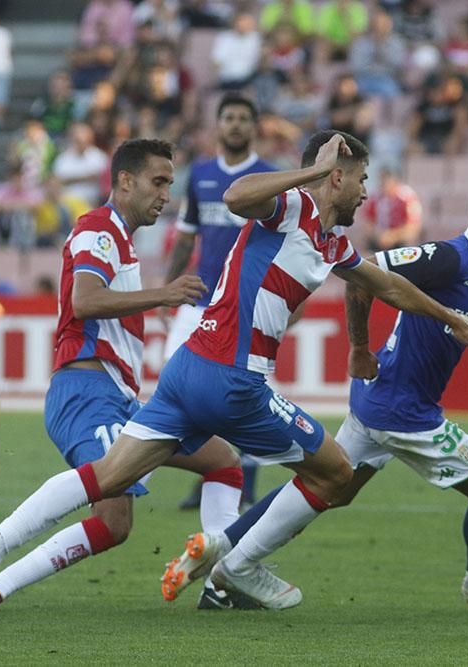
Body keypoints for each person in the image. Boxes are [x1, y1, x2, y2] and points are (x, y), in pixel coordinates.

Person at [0, 130, 468, 615]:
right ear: (339, 176)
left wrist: (450, 318)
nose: (367, 192)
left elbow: (388, 286)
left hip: (187, 373)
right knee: (337, 473)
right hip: (235, 380)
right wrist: (317, 170)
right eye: (362, 179)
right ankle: (238, 566)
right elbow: (235, 195)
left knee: (112, 477)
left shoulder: (332, 243)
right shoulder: (293, 206)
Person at [161, 171, 468, 612]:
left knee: (326, 488)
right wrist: (359, 347)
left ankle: (221, 551)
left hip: (380, 402)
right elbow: (365, 275)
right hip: (403, 412)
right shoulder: (448, 258)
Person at [0, 139, 248, 616]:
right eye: (158, 181)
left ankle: (219, 584)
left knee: (224, 462)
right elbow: (85, 300)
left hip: (117, 397)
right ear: (125, 180)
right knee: (113, 517)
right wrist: (162, 294)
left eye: (170, 182)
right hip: (86, 392)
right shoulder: (97, 230)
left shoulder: (119, 238)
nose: (167, 194)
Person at [161, 93, 276, 518]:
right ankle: (208, 471)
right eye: (228, 117)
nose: (235, 125)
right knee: (177, 385)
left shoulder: (268, 177)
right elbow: (187, 235)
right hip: (198, 299)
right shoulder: (201, 173)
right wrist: (168, 288)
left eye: (244, 118)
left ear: (254, 126)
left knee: (244, 393)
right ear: (218, 124)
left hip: (247, 305)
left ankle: (243, 482)